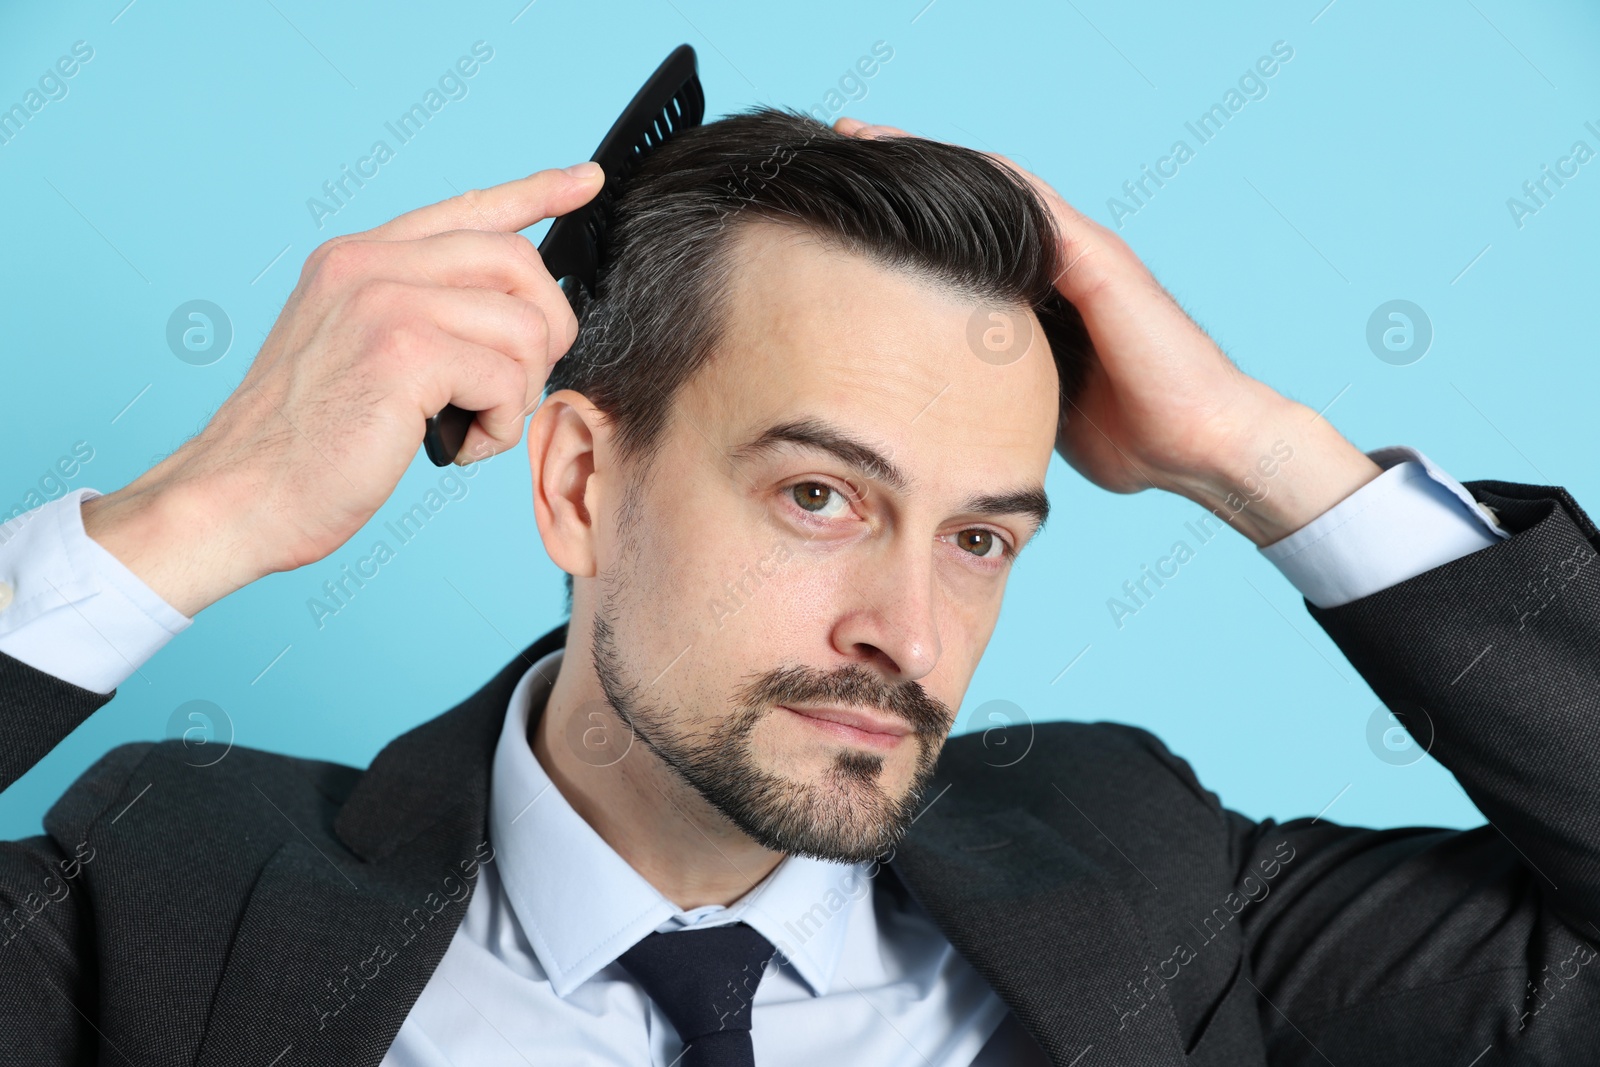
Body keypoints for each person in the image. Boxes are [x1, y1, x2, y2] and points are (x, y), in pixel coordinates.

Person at [1, 107, 1596, 1067]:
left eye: (980, 538)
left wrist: (1266, 457)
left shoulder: (1154, 879)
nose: (903, 636)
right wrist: (195, 518)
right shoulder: (165, 895)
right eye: (821, 496)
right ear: (577, 483)